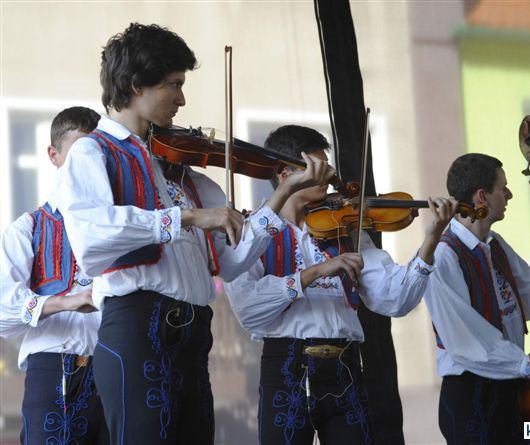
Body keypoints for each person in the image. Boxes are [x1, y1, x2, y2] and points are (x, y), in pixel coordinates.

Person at [52, 24, 333, 445]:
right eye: (174, 84)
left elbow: (232, 263)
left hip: (193, 334)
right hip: (138, 328)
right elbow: (92, 240)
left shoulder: (185, 175)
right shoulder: (94, 151)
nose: (182, 99)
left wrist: (282, 193)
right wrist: (186, 218)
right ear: (137, 85)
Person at [224, 125, 457, 445]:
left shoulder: (344, 228)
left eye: (327, 166)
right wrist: (313, 273)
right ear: (285, 175)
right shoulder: (254, 234)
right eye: (317, 168)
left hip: (344, 368)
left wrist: (431, 239)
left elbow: (396, 299)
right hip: (287, 368)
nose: (329, 176)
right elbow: (249, 311)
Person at [424, 153, 530, 444]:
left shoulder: (494, 244)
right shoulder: (444, 257)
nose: (509, 195)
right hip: (472, 395)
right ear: (482, 196)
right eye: (503, 188)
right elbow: (466, 341)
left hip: (508, 385)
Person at [0, 106, 108, 444]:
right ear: (53, 155)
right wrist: (67, 302)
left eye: (96, 154)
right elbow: (2, 312)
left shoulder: (119, 225)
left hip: (115, 366)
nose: (88, 164)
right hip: (53, 365)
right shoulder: (27, 228)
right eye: (78, 153)